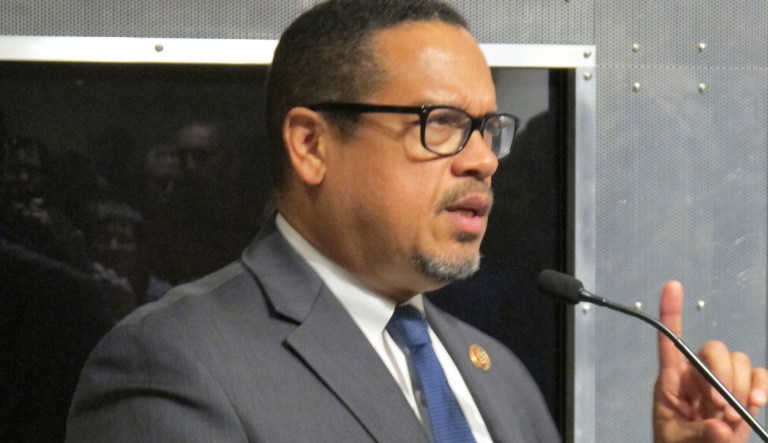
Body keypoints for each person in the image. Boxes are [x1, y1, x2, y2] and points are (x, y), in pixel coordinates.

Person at [66, 0, 768, 442]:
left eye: (488, 128)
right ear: (311, 144)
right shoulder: (177, 363)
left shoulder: (500, 380)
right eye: (441, 124)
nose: (484, 161)